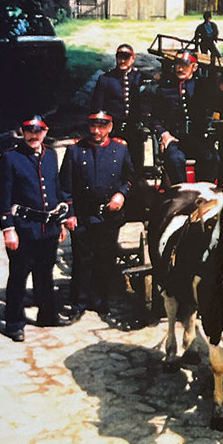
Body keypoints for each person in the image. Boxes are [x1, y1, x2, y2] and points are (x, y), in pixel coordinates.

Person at [0, 115, 75, 341]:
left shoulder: (51, 154)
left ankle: (47, 314)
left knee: (45, 274)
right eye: (29, 131)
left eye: (38, 131)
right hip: (22, 227)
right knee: (19, 275)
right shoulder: (10, 158)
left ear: (45, 132)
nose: (34, 135)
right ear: (22, 132)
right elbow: (3, 197)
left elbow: (55, 189)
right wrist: (8, 228)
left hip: (48, 227)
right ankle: (14, 322)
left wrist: (60, 222)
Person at [60, 111, 135, 317]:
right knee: (81, 259)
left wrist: (121, 194)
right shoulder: (76, 150)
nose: (96, 131)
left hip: (109, 216)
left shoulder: (120, 149)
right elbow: (65, 186)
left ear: (110, 127)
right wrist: (70, 213)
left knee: (105, 259)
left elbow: (129, 177)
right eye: (93, 126)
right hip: (83, 215)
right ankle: (78, 304)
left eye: (102, 127)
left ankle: (101, 301)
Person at [151, 49, 220, 184]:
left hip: (198, 138)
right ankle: (181, 193)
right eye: (177, 64)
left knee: (212, 158)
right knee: (174, 159)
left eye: (185, 65)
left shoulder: (203, 86)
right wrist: (164, 135)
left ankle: (204, 194)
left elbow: (219, 104)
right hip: (175, 138)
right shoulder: (164, 88)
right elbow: (154, 118)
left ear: (194, 67)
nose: (180, 68)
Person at [91, 43, 145, 168]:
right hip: (113, 129)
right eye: (119, 57)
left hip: (134, 129)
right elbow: (97, 108)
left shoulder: (139, 77)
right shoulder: (105, 79)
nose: (122, 61)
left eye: (126, 57)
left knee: (136, 164)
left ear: (133, 58)